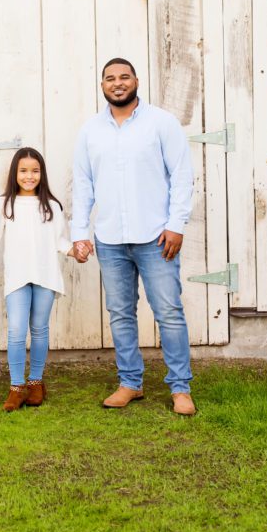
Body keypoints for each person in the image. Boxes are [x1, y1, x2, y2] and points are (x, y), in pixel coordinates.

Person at [72, 58, 196, 416]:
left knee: (169, 312)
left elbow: (182, 176)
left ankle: (180, 388)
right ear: (102, 86)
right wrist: (80, 233)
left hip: (156, 237)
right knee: (120, 314)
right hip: (110, 239)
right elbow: (83, 186)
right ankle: (130, 383)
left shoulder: (161, 123)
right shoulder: (90, 131)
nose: (118, 83)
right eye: (110, 78)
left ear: (136, 80)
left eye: (124, 76)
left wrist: (176, 225)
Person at [0, 147, 83, 411]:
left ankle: (36, 382)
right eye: (23, 171)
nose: (29, 176)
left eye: (35, 171)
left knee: (39, 329)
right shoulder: (5, 204)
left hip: (45, 275)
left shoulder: (51, 206)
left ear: (42, 174)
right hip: (18, 277)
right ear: (15, 173)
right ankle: (16, 387)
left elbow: (61, 241)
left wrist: (76, 252)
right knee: (16, 330)